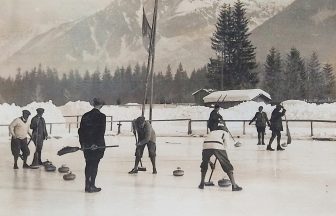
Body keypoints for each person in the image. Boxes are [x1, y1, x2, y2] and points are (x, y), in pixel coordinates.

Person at [198, 126, 242, 191]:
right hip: (217, 145)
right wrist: (221, 156)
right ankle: (234, 185)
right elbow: (226, 146)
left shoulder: (212, 132)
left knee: (204, 163)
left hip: (205, 145)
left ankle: (201, 183)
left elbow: (209, 147)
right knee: (227, 165)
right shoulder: (225, 133)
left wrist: (210, 163)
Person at [78, 98, 106, 193]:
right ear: (101, 105)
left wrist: (82, 143)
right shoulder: (102, 116)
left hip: (86, 145)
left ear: (93, 104)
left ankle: (87, 185)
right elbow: (100, 132)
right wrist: (96, 144)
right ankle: (92, 185)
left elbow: (80, 131)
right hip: (97, 146)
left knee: (88, 164)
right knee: (94, 165)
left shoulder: (85, 116)